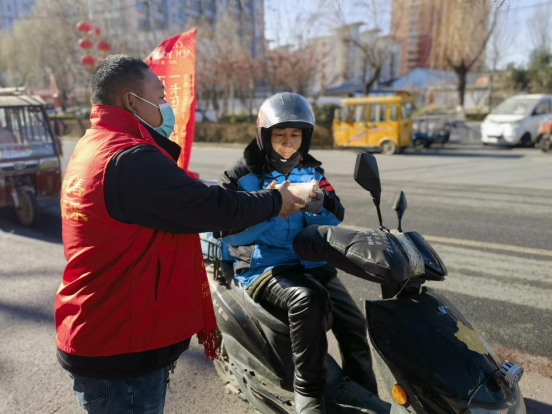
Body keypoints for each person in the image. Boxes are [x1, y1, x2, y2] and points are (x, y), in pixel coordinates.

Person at [54, 55, 304, 414]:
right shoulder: (131, 157)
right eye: (159, 97)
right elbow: (212, 208)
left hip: (100, 327)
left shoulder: (95, 144)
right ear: (130, 100)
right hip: (120, 345)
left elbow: (166, 201)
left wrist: (184, 188)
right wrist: (276, 199)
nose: (165, 105)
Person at [217, 93, 378, 414]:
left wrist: (319, 205)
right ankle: (308, 396)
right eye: (280, 136)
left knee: (353, 322)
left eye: (296, 135)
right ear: (264, 136)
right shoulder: (240, 177)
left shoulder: (312, 170)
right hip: (263, 268)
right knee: (310, 299)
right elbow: (228, 231)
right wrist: (273, 207)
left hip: (312, 263)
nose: (288, 144)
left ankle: (365, 393)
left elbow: (336, 213)